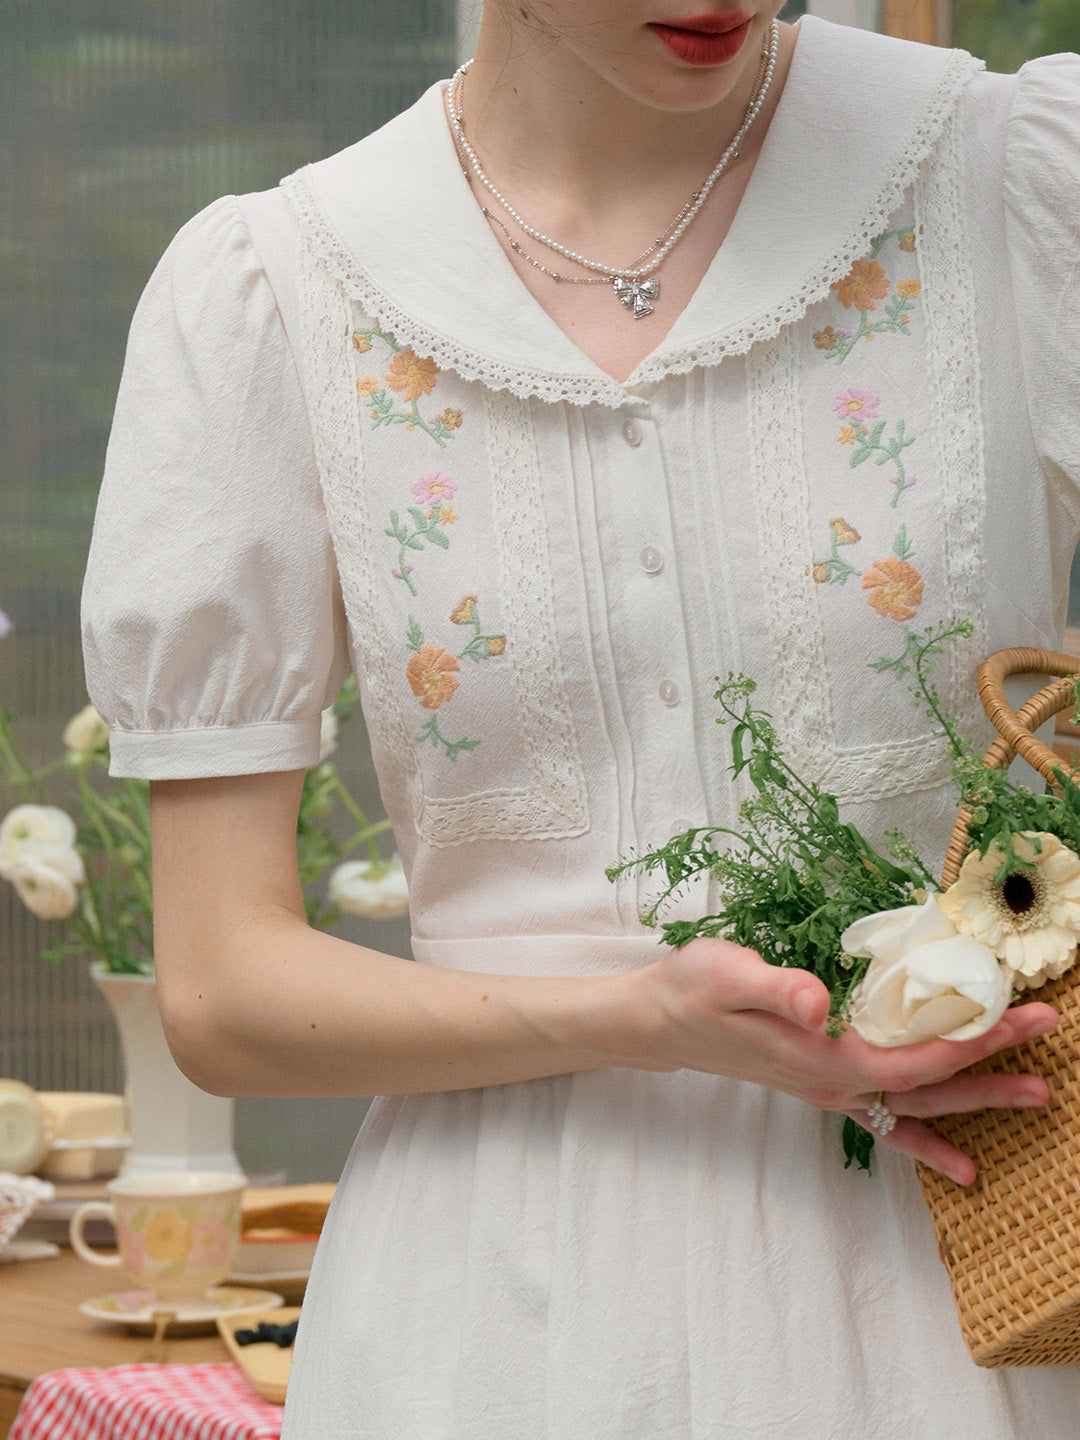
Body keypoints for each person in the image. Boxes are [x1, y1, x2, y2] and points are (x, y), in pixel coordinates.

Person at [82, 2, 1080, 1435]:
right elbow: (223, 992)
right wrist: (641, 1018)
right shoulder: (276, 289)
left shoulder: (1012, 177)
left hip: (983, 1251)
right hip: (492, 1312)